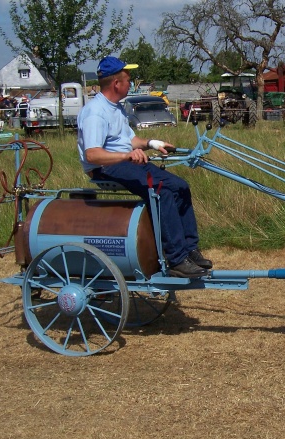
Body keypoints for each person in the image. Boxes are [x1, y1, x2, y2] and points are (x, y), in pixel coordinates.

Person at [77, 56, 212, 279]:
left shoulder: (117, 109)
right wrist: (126, 155)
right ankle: (177, 260)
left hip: (124, 161)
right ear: (116, 84)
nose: (131, 83)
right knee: (161, 191)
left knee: (181, 186)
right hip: (105, 167)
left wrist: (152, 144)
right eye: (128, 79)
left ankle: (190, 249)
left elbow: (130, 140)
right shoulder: (95, 112)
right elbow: (93, 154)